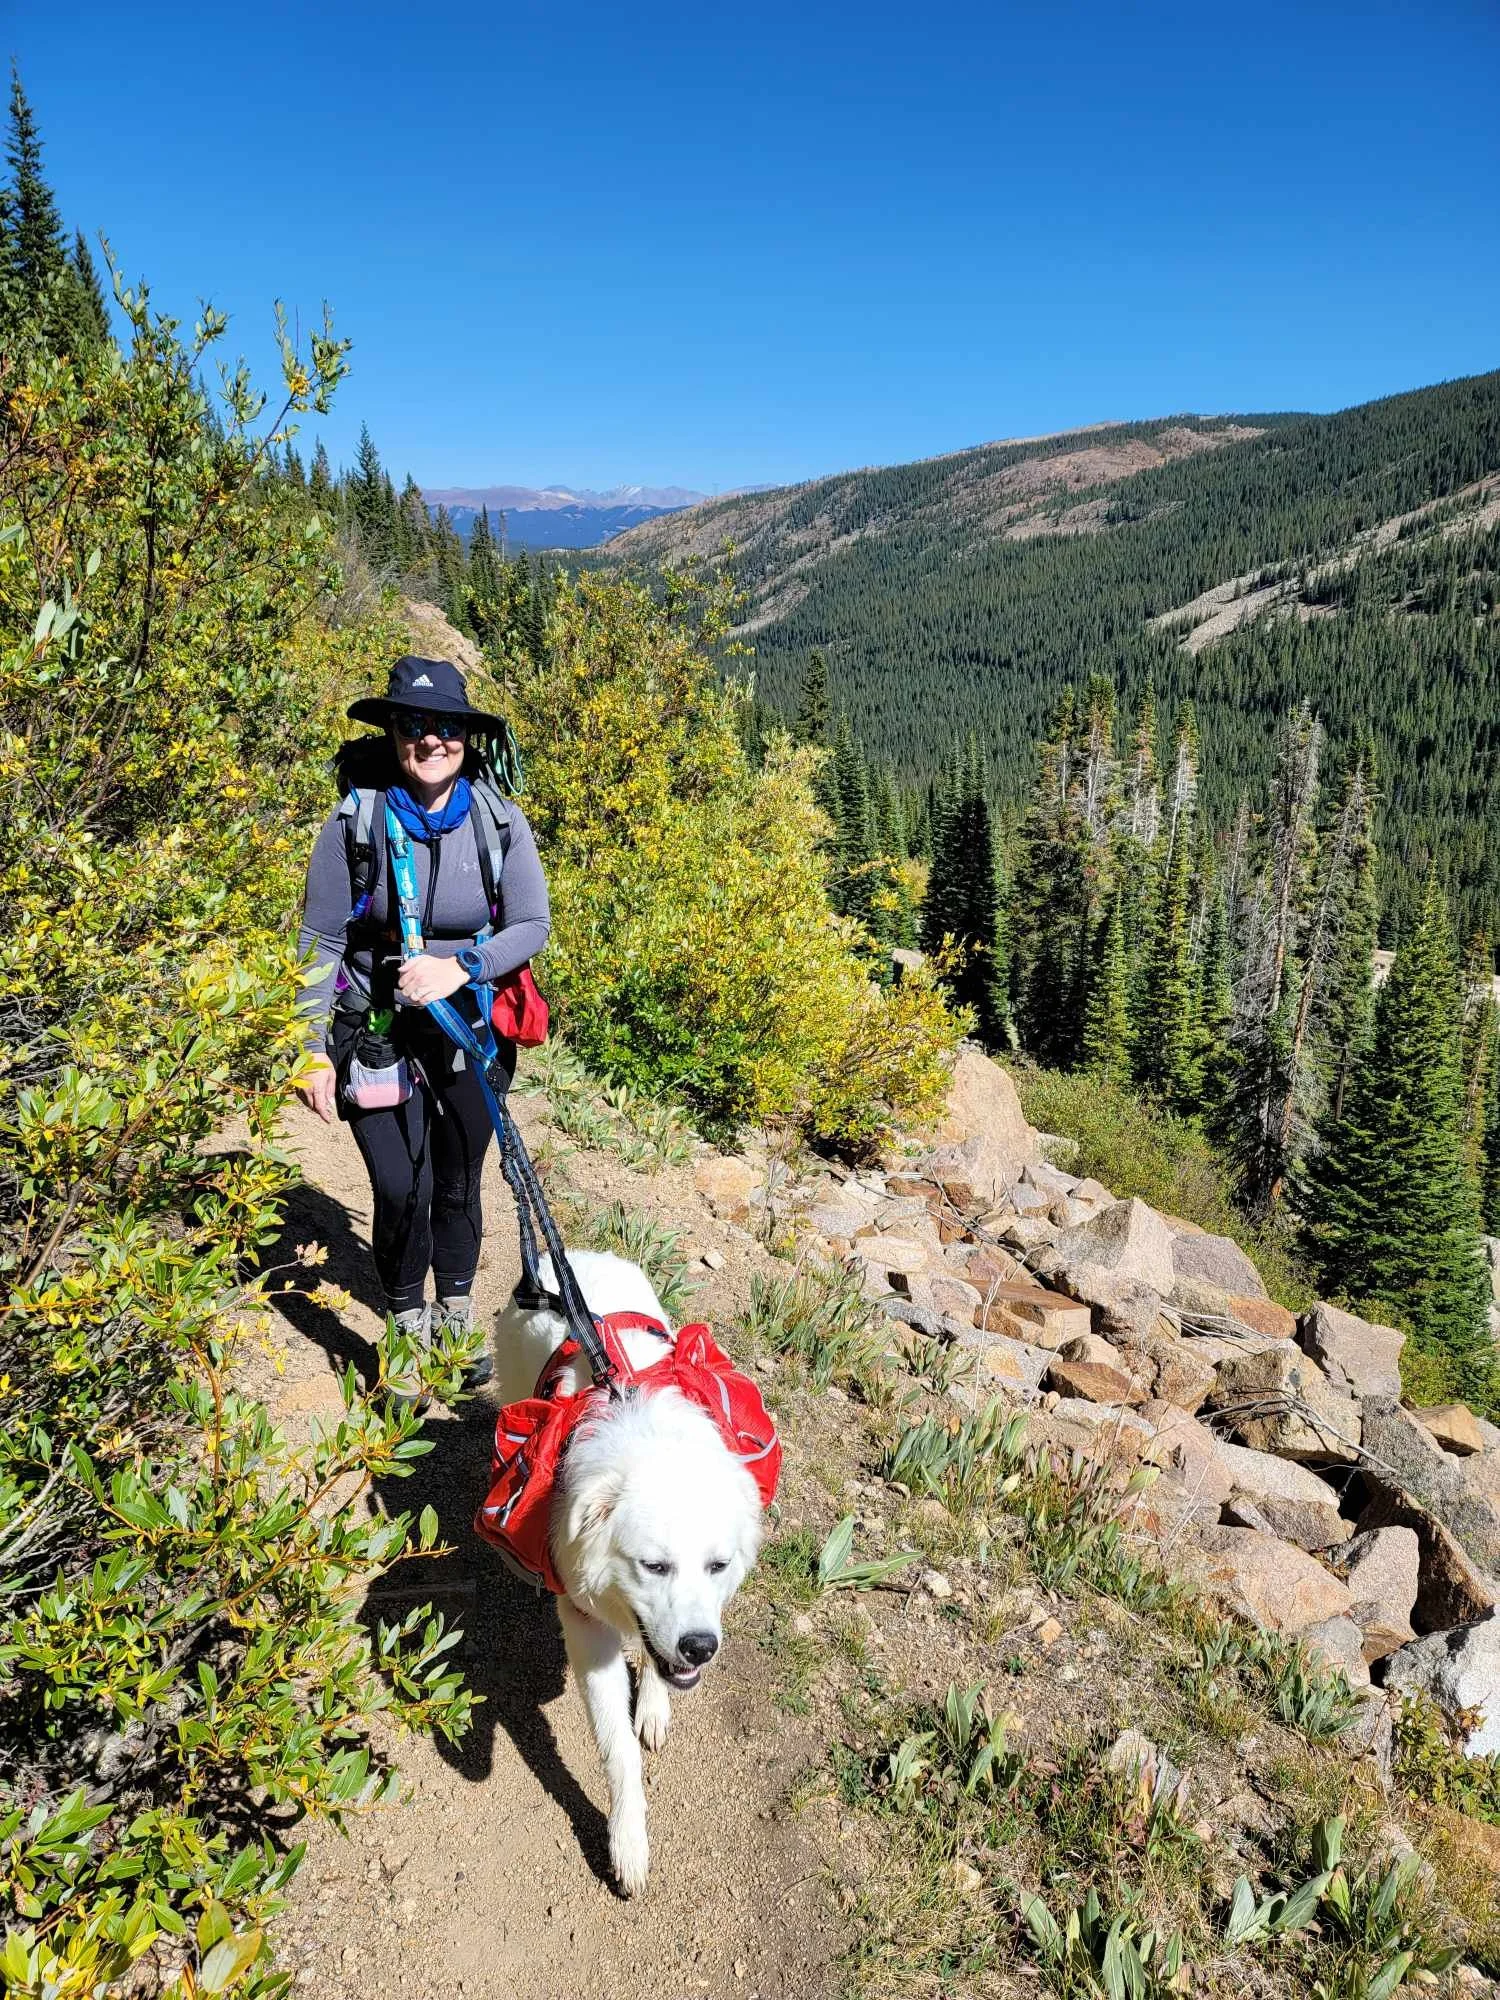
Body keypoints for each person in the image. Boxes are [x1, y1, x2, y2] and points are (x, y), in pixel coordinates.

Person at [296, 654, 550, 1386]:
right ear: (395, 733)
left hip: (470, 1028)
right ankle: (406, 1324)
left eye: (446, 726)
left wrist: (461, 967)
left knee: (458, 1179)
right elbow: (319, 940)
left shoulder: (499, 821)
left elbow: (531, 922)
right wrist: (308, 1047)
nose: (431, 740)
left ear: (468, 738)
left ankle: (456, 1317)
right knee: (399, 1184)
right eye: (415, 725)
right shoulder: (356, 821)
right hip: (373, 1027)